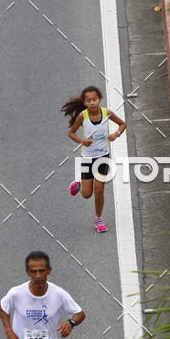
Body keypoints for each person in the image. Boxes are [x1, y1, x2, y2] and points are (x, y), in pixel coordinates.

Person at [61, 85, 127, 233]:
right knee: (86, 194)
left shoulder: (107, 113)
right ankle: (77, 181)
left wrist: (116, 134)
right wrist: (82, 141)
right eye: (89, 100)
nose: (92, 103)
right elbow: (71, 133)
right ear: (84, 103)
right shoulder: (82, 116)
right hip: (87, 158)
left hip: (103, 156)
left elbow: (123, 124)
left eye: (95, 99)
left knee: (99, 189)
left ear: (100, 100)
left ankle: (99, 219)